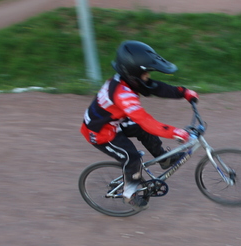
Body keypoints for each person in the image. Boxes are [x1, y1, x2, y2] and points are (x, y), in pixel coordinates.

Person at [80, 40, 199, 209]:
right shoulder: (122, 94)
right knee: (132, 157)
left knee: (143, 131)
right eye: (146, 74)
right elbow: (146, 121)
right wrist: (176, 132)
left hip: (114, 122)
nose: (148, 77)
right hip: (100, 132)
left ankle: (164, 159)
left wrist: (183, 92)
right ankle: (129, 193)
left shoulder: (128, 80)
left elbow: (155, 87)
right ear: (134, 73)